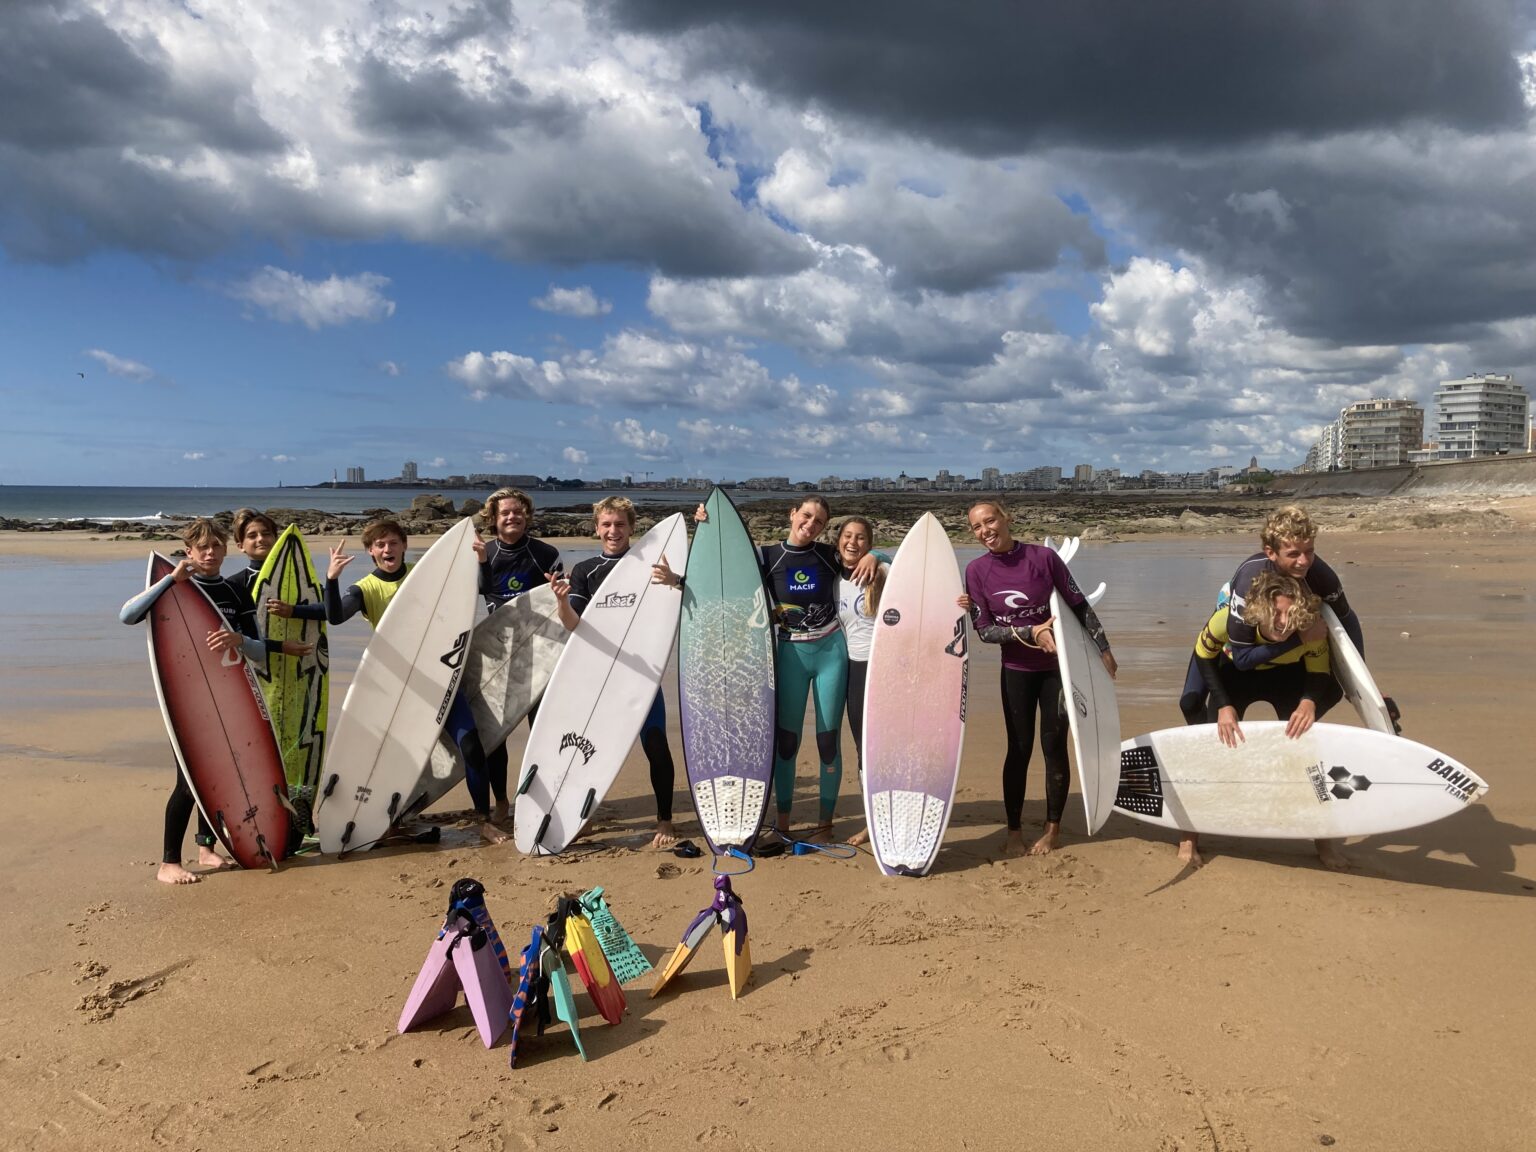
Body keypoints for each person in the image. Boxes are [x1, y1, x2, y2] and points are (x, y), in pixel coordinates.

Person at [119, 518, 313, 884]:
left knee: (220, 775)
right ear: (189, 552)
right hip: (187, 699)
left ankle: (206, 849)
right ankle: (168, 863)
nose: (209, 553)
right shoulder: (176, 588)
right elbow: (127, 615)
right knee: (190, 780)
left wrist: (237, 640)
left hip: (227, 694)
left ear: (225, 550)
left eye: (216, 547)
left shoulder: (235, 592)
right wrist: (168, 581)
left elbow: (257, 652)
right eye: (202, 548)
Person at [694, 496, 879, 842]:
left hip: (831, 653)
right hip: (789, 654)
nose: (810, 524)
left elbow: (866, 560)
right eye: (806, 516)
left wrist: (874, 554)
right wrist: (708, 525)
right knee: (787, 742)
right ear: (793, 514)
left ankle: (825, 825)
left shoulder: (828, 556)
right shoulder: (766, 556)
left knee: (827, 741)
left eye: (819, 522)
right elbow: (721, 568)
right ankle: (782, 823)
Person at [324, 518, 504, 842]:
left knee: (472, 748)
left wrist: (481, 561)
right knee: (389, 762)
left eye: (393, 542)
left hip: (440, 679)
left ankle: (483, 820)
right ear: (370, 551)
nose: (387, 549)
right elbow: (335, 616)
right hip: (396, 690)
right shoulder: (365, 588)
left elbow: (480, 588)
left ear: (404, 545)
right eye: (380, 544)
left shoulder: (426, 578)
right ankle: (382, 821)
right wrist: (332, 580)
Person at [961, 501, 1116, 857]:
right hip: (1016, 672)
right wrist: (1032, 631)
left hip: (1057, 671)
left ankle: (1052, 829)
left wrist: (1103, 648)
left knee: (1054, 746)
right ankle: (1014, 830)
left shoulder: (1043, 559)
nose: (985, 530)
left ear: (1006, 519)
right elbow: (984, 631)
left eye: (990, 520)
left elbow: (1077, 604)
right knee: (1018, 749)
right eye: (976, 527)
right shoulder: (976, 571)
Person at [1180, 569, 1346, 869]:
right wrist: (1222, 704)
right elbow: (1204, 656)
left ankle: (1323, 841)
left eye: (1291, 614)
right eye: (1277, 613)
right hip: (1234, 674)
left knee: (1303, 753)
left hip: (1286, 677)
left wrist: (1308, 702)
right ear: (1261, 609)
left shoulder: (1308, 628)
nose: (1284, 623)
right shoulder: (1232, 620)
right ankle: (1189, 837)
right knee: (1211, 749)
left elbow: (1320, 672)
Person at [553, 496, 685, 847]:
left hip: (643, 672)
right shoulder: (584, 570)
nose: (613, 531)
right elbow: (574, 626)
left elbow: (681, 604)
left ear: (632, 527)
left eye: (620, 524)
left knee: (655, 743)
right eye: (607, 525)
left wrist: (675, 580)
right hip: (599, 674)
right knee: (588, 747)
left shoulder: (650, 565)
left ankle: (665, 820)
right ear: (596, 528)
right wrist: (563, 603)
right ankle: (583, 818)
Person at [470, 488, 562, 829]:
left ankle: (550, 797)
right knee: (496, 736)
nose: (513, 517)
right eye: (506, 512)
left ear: (527, 515)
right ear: (492, 518)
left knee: (542, 731)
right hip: (499, 654)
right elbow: (472, 594)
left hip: (542, 653)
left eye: (518, 511)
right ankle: (502, 801)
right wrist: (479, 562)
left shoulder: (545, 553)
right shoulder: (485, 553)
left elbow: (555, 601)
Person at [832, 516, 888, 847]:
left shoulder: (880, 572)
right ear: (838, 540)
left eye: (862, 538)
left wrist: (880, 555)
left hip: (883, 666)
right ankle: (872, 820)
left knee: (885, 746)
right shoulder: (832, 577)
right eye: (848, 536)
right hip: (855, 669)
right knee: (862, 748)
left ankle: (887, 814)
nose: (853, 542)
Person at [230, 507, 326, 623]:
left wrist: (294, 611)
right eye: (252, 536)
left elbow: (333, 610)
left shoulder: (299, 576)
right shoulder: (235, 584)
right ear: (240, 546)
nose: (261, 539)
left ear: (276, 540)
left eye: (266, 534)